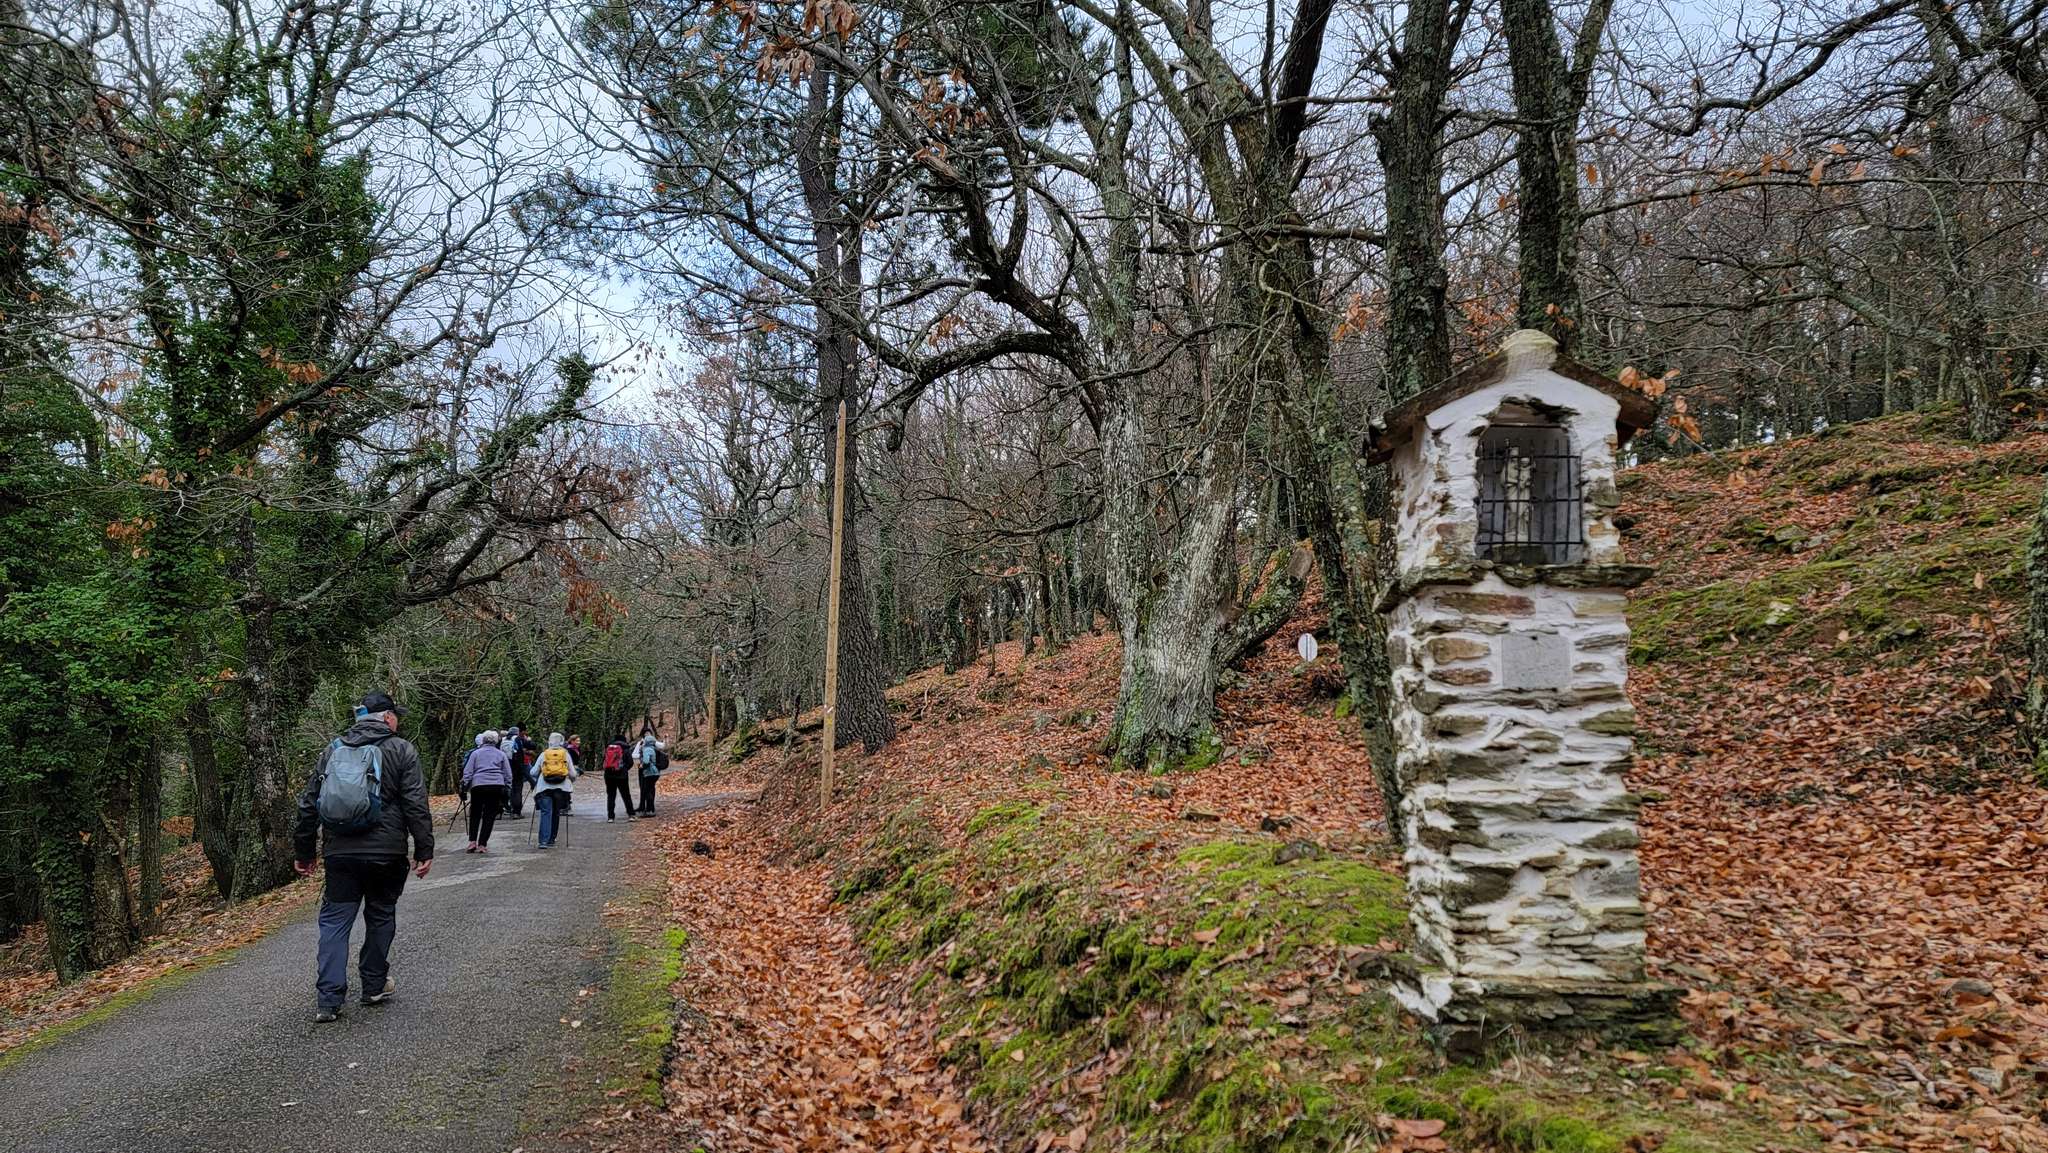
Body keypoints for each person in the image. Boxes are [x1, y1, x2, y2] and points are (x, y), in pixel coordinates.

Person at [293, 690, 433, 1023]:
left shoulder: (333, 749)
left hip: (340, 852)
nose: (397, 721)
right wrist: (424, 849)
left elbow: (309, 803)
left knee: (335, 922)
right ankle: (373, 986)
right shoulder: (401, 749)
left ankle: (328, 1000)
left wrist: (304, 851)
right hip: (387, 852)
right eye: (396, 716)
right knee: (381, 915)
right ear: (388, 718)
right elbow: (415, 802)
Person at [460, 730, 514, 853]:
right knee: (489, 815)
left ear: (483, 740)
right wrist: (508, 786)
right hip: (496, 785)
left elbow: (468, 771)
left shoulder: (475, 753)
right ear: (496, 741)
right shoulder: (501, 754)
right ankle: (482, 844)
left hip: (478, 785)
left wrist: (465, 785)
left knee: (475, 813)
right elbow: (508, 773)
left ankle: (472, 842)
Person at [533, 732, 579, 847]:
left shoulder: (544, 754)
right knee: (555, 813)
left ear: (549, 741)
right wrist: (571, 781)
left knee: (546, 812)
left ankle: (543, 841)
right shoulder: (565, 755)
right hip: (561, 789)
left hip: (544, 788)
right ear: (562, 742)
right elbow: (573, 774)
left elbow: (533, 772)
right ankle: (551, 839)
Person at [601, 734, 633, 821]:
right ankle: (631, 814)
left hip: (609, 775)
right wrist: (624, 769)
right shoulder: (625, 748)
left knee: (611, 796)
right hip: (622, 776)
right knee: (626, 795)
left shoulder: (609, 748)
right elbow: (630, 762)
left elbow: (604, 762)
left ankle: (610, 817)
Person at [635, 732, 662, 817]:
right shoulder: (653, 748)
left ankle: (649, 810)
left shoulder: (647, 749)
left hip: (650, 772)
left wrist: (641, 765)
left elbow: (646, 761)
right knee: (651, 790)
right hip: (655, 772)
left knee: (647, 791)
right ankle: (651, 809)